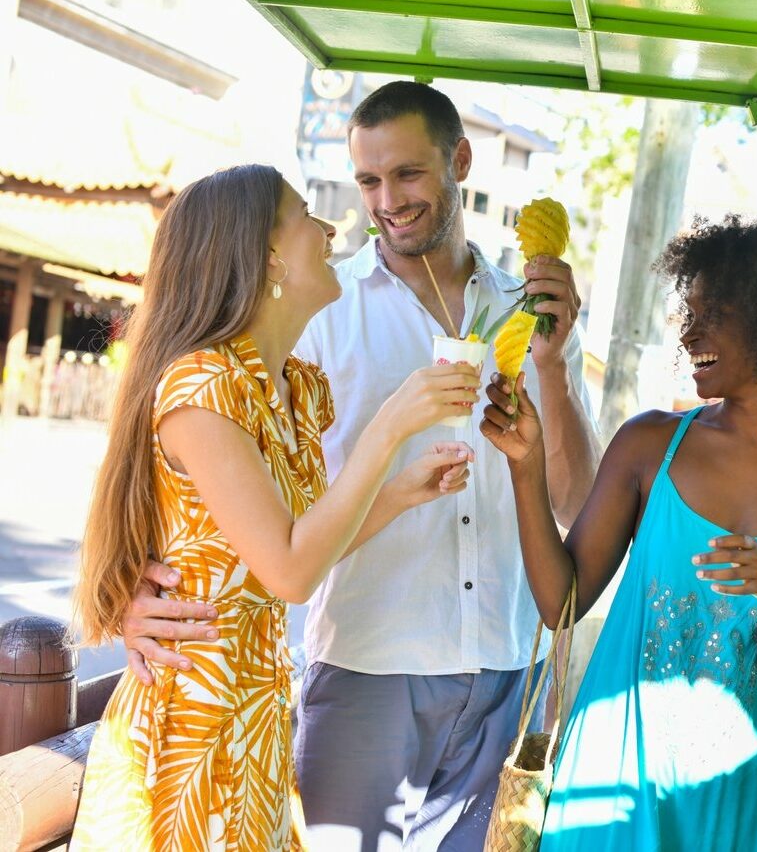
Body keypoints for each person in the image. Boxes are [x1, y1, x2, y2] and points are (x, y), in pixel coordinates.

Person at [122, 83, 600, 849]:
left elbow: (577, 501)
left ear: (460, 161)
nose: (384, 201)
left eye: (407, 174)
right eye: (368, 180)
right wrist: (133, 585)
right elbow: (201, 468)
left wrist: (554, 368)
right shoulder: (318, 307)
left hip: (502, 669)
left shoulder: (535, 309)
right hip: (365, 665)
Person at [70, 164, 480, 849]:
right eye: (305, 217)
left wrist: (398, 494)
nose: (329, 229)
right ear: (267, 257)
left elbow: (293, 544)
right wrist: (388, 428)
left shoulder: (293, 387)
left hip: (256, 716)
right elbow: (290, 573)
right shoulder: (203, 386)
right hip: (192, 726)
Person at [481, 217, 757, 851]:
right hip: (610, 769)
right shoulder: (649, 443)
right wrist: (526, 468)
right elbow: (561, 605)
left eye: (712, 316)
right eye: (688, 315)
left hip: (730, 792)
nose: (689, 334)